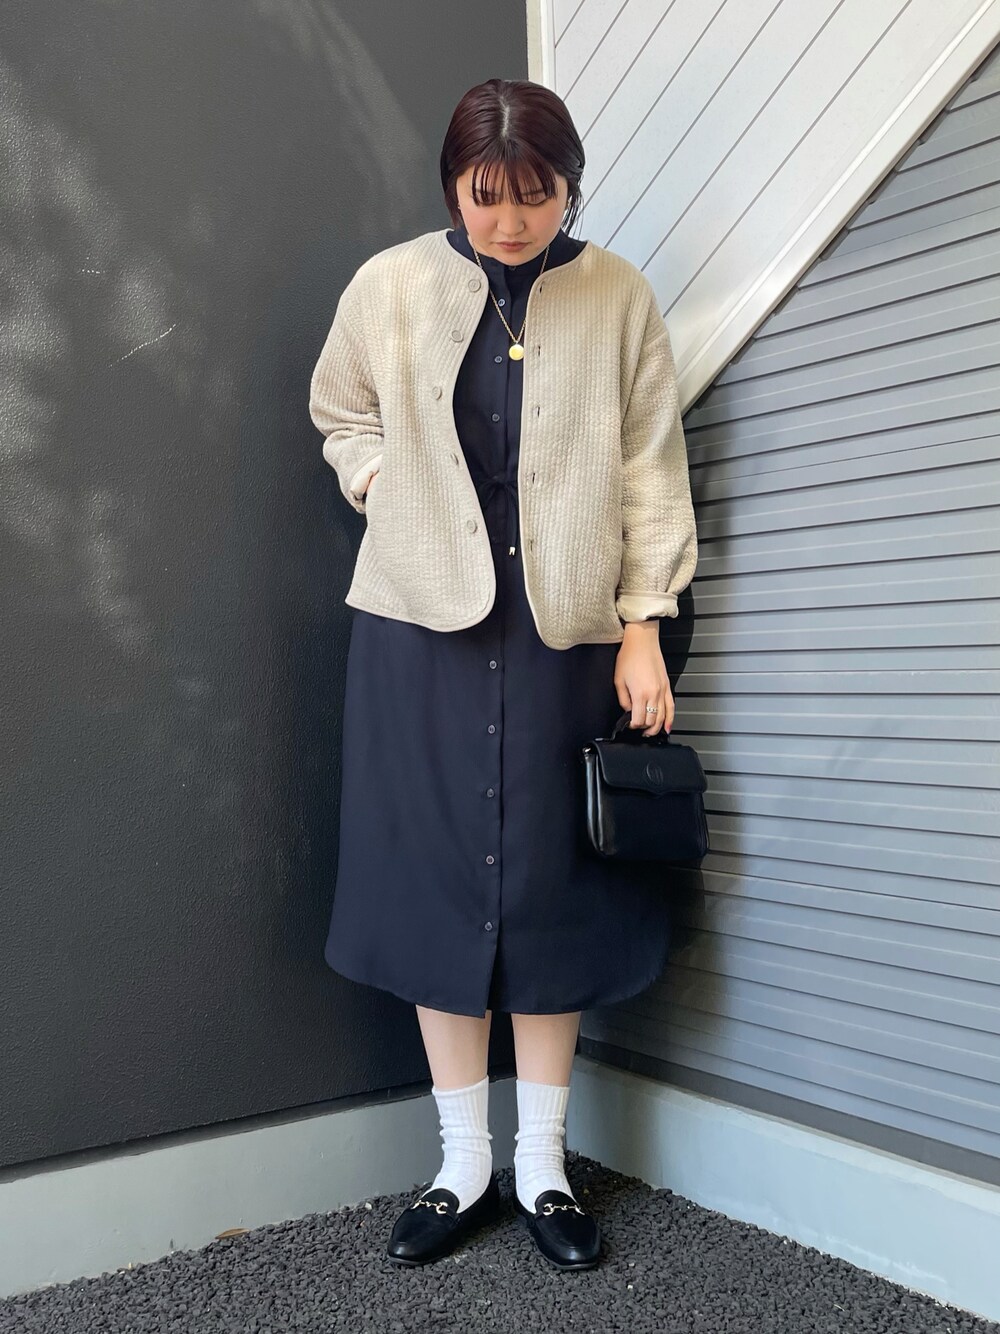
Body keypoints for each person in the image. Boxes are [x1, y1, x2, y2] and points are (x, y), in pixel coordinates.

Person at [308, 77, 698, 1272]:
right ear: (453, 188)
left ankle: (541, 1164)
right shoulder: (388, 285)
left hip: (566, 631)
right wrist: (381, 485)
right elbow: (339, 410)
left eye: (536, 195)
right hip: (417, 626)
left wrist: (644, 622)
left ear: (568, 186)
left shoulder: (616, 293)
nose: (511, 220)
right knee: (433, 879)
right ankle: (460, 1161)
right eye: (487, 196)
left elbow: (650, 464)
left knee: (547, 885)